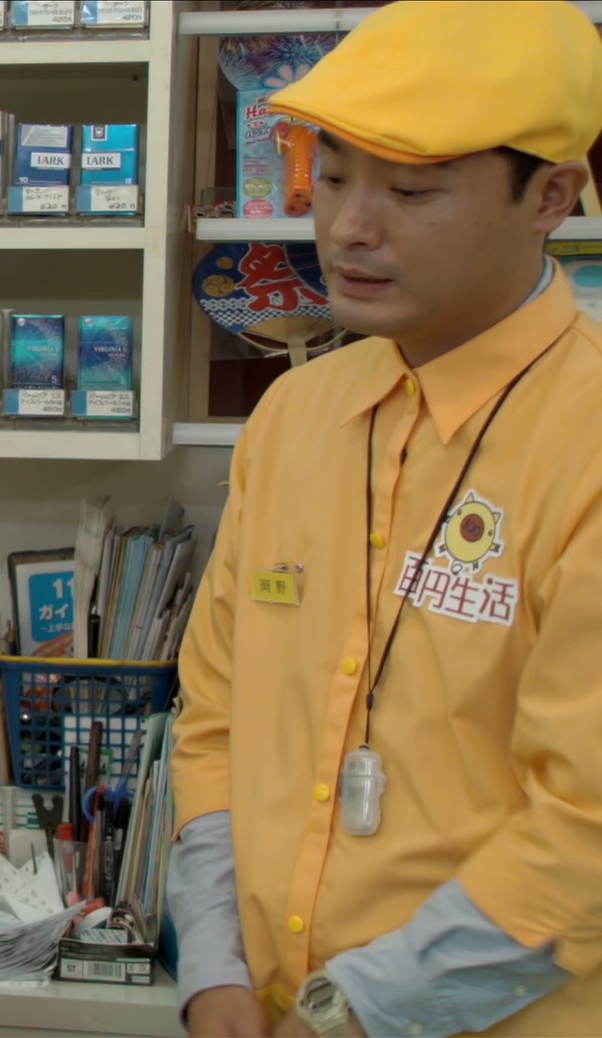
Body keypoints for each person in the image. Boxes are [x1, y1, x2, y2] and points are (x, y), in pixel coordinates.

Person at [169, 2, 602, 1036]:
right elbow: (216, 719)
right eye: (331, 177)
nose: (349, 228)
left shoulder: (583, 437)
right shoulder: (295, 415)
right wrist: (215, 966)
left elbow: (585, 828)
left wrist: (354, 1011)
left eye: (411, 191)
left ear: (551, 195)